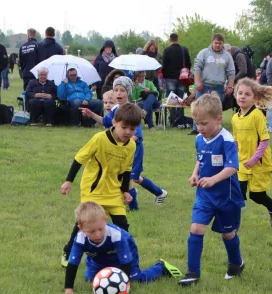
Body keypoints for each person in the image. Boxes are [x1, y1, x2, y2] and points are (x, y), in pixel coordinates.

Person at [59, 103, 142, 266]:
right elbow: (79, 159)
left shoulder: (131, 146)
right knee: (84, 223)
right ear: (114, 123)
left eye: (132, 129)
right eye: (124, 127)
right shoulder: (99, 139)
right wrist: (69, 180)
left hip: (113, 193)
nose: (128, 132)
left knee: (122, 227)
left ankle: (121, 259)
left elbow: (126, 170)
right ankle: (68, 252)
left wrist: (125, 191)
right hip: (93, 191)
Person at [177, 93, 245, 286]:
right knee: (196, 228)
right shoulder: (199, 139)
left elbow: (233, 166)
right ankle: (192, 273)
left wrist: (214, 179)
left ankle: (236, 263)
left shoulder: (227, 140)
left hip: (227, 197)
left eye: (204, 124)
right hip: (205, 195)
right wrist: (195, 174)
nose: (200, 128)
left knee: (228, 233)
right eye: (197, 123)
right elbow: (200, 158)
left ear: (219, 119)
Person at [81, 77, 169, 209]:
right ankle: (154, 195)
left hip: (133, 151)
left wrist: (120, 146)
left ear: (128, 92)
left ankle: (141, 203)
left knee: (131, 179)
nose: (118, 93)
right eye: (116, 90)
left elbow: (136, 136)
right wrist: (91, 114)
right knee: (130, 178)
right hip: (121, 150)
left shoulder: (132, 111)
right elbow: (105, 122)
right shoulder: (116, 109)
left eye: (122, 90)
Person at [63, 201, 182, 294]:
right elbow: (72, 264)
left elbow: (126, 261)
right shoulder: (80, 239)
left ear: (105, 220)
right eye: (92, 231)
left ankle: (161, 267)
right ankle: (100, 267)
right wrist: (68, 289)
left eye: (100, 229)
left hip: (125, 252)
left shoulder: (116, 235)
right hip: (98, 256)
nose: (97, 234)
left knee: (135, 279)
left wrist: (122, 285)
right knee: (91, 279)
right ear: (81, 228)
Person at [232, 78, 272, 227]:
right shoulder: (235, 118)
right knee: (238, 195)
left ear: (255, 98)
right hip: (242, 163)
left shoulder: (257, 115)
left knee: (256, 196)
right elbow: (236, 141)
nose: (242, 96)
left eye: (247, 94)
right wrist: (232, 158)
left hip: (259, 164)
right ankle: (233, 224)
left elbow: (265, 140)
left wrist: (254, 159)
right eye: (240, 93)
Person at [190, 33, 235, 135]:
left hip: (218, 87)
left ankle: (215, 129)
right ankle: (196, 129)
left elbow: (231, 71)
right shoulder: (204, 53)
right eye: (216, 43)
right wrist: (197, 82)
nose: (217, 45)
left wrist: (230, 86)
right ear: (212, 42)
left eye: (220, 43)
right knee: (199, 108)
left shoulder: (227, 56)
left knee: (216, 109)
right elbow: (197, 67)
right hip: (204, 85)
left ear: (223, 44)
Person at [161, 33, 191, 125]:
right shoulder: (183, 50)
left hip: (170, 78)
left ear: (170, 40)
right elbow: (188, 63)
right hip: (182, 78)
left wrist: (166, 76)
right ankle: (180, 119)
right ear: (178, 39)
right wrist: (186, 73)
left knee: (172, 100)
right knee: (181, 99)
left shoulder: (167, 50)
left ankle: (173, 119)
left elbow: (164, 65)